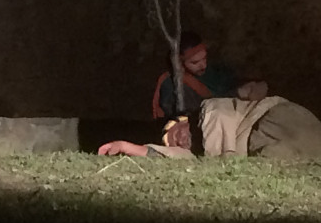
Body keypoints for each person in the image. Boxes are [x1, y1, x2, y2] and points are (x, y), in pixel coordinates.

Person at [100, 95, 321, 162]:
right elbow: (177, 157)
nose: (181, 141)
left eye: (177, 134)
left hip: (275, 120)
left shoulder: (210, 110)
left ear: (184, 121)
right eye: (175, 144)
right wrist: (128, 147)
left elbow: (218, 119)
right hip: (269, 147)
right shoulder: (199, 153)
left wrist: (225, 159)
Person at [151, 31, 267, 121]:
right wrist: (237, 94)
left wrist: (251, 86)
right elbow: (199, 113)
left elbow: (229, 82)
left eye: (204, 58)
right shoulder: (172, 85)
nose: (203, 65)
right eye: (195, 62)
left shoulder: (210, 72)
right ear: (180, 63)